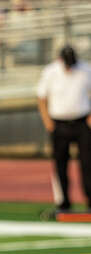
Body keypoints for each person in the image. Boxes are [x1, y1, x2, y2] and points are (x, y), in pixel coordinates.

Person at [37, 45, 91, 213]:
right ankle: (63, 202)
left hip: (82, 122)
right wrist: (47, 121)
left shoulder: (86, 69)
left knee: (88, 163)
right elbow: (41, 97)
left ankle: (90, 200)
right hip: (59, 123)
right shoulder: (51, 72)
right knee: (60, 163)